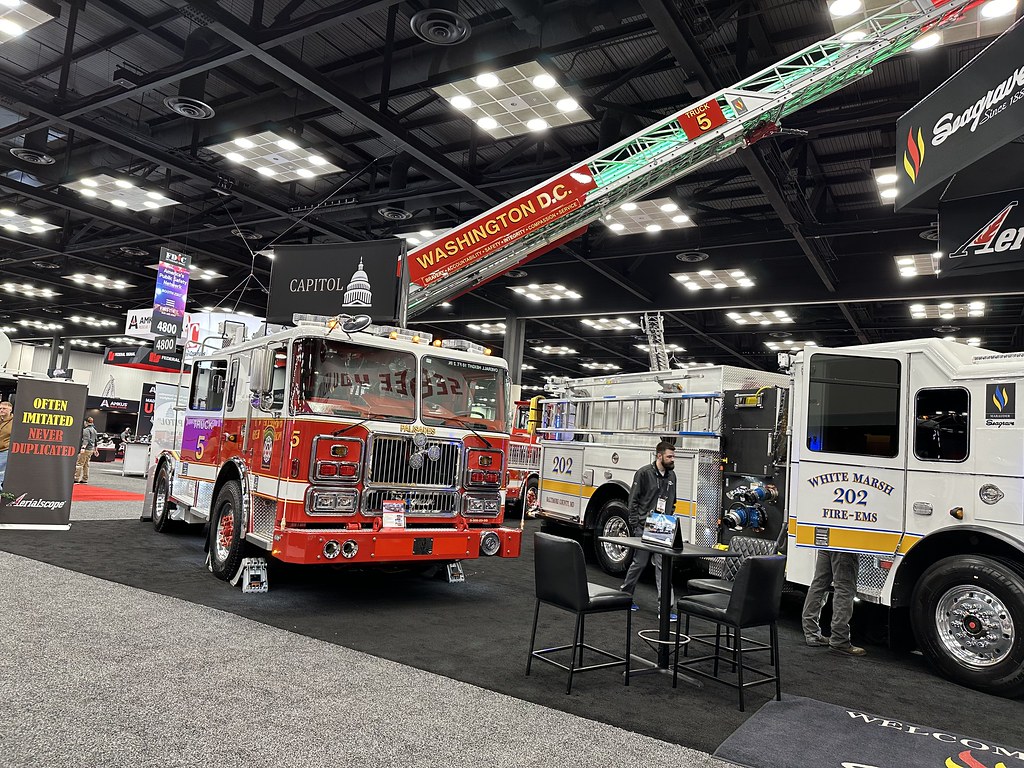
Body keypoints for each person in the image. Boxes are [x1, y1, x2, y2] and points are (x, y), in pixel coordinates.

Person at [619, 441, 677, 615]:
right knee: (639, 563)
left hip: (663, 527)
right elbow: (633, 500)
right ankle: (625, 596)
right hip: (644, 526)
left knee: (663, 566)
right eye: (669, 456)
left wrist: (668, 517)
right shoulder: (644, 473)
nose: (673, 459)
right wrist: (636, 522)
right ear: (659, 456)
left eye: (673, 456)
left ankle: (666, 608)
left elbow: (672, 501)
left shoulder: (672, 476)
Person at [801, 550, 866, 656]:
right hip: (845, 544)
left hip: (828, 542)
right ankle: (839, 640)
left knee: (819, 584)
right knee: (844, 589)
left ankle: (811, 634)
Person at [75, 416, 99, 484]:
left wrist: (83, 448)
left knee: (79, 464)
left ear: (86, 422)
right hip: (91, 449)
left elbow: (86, 439)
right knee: (86, 464)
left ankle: (76, 478)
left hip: (86, 449)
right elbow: (95, 440)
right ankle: (85, 478)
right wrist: (96, 449)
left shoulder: (86, 430)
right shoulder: (94, 430)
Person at [0, 400, 12, 489]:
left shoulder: (14, 421)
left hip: (5, 450)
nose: (1, 410)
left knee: (0, 473)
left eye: (4, 408)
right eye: (0, 408)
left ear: (10, 410)